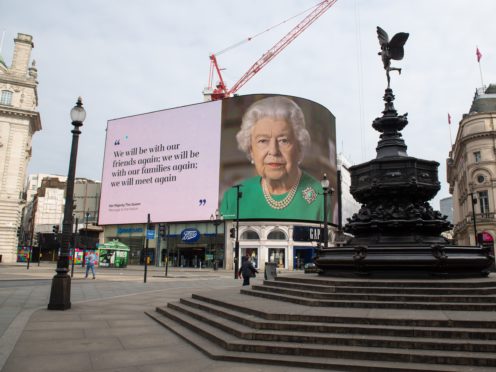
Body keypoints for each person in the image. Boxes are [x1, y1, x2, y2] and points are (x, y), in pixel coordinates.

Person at [220, 96, 329, 221]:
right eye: (263, 141)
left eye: (283, 140)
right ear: (251, 150)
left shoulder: (320, 196)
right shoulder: (233, 197)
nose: (273, 151)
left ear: (299, 147)